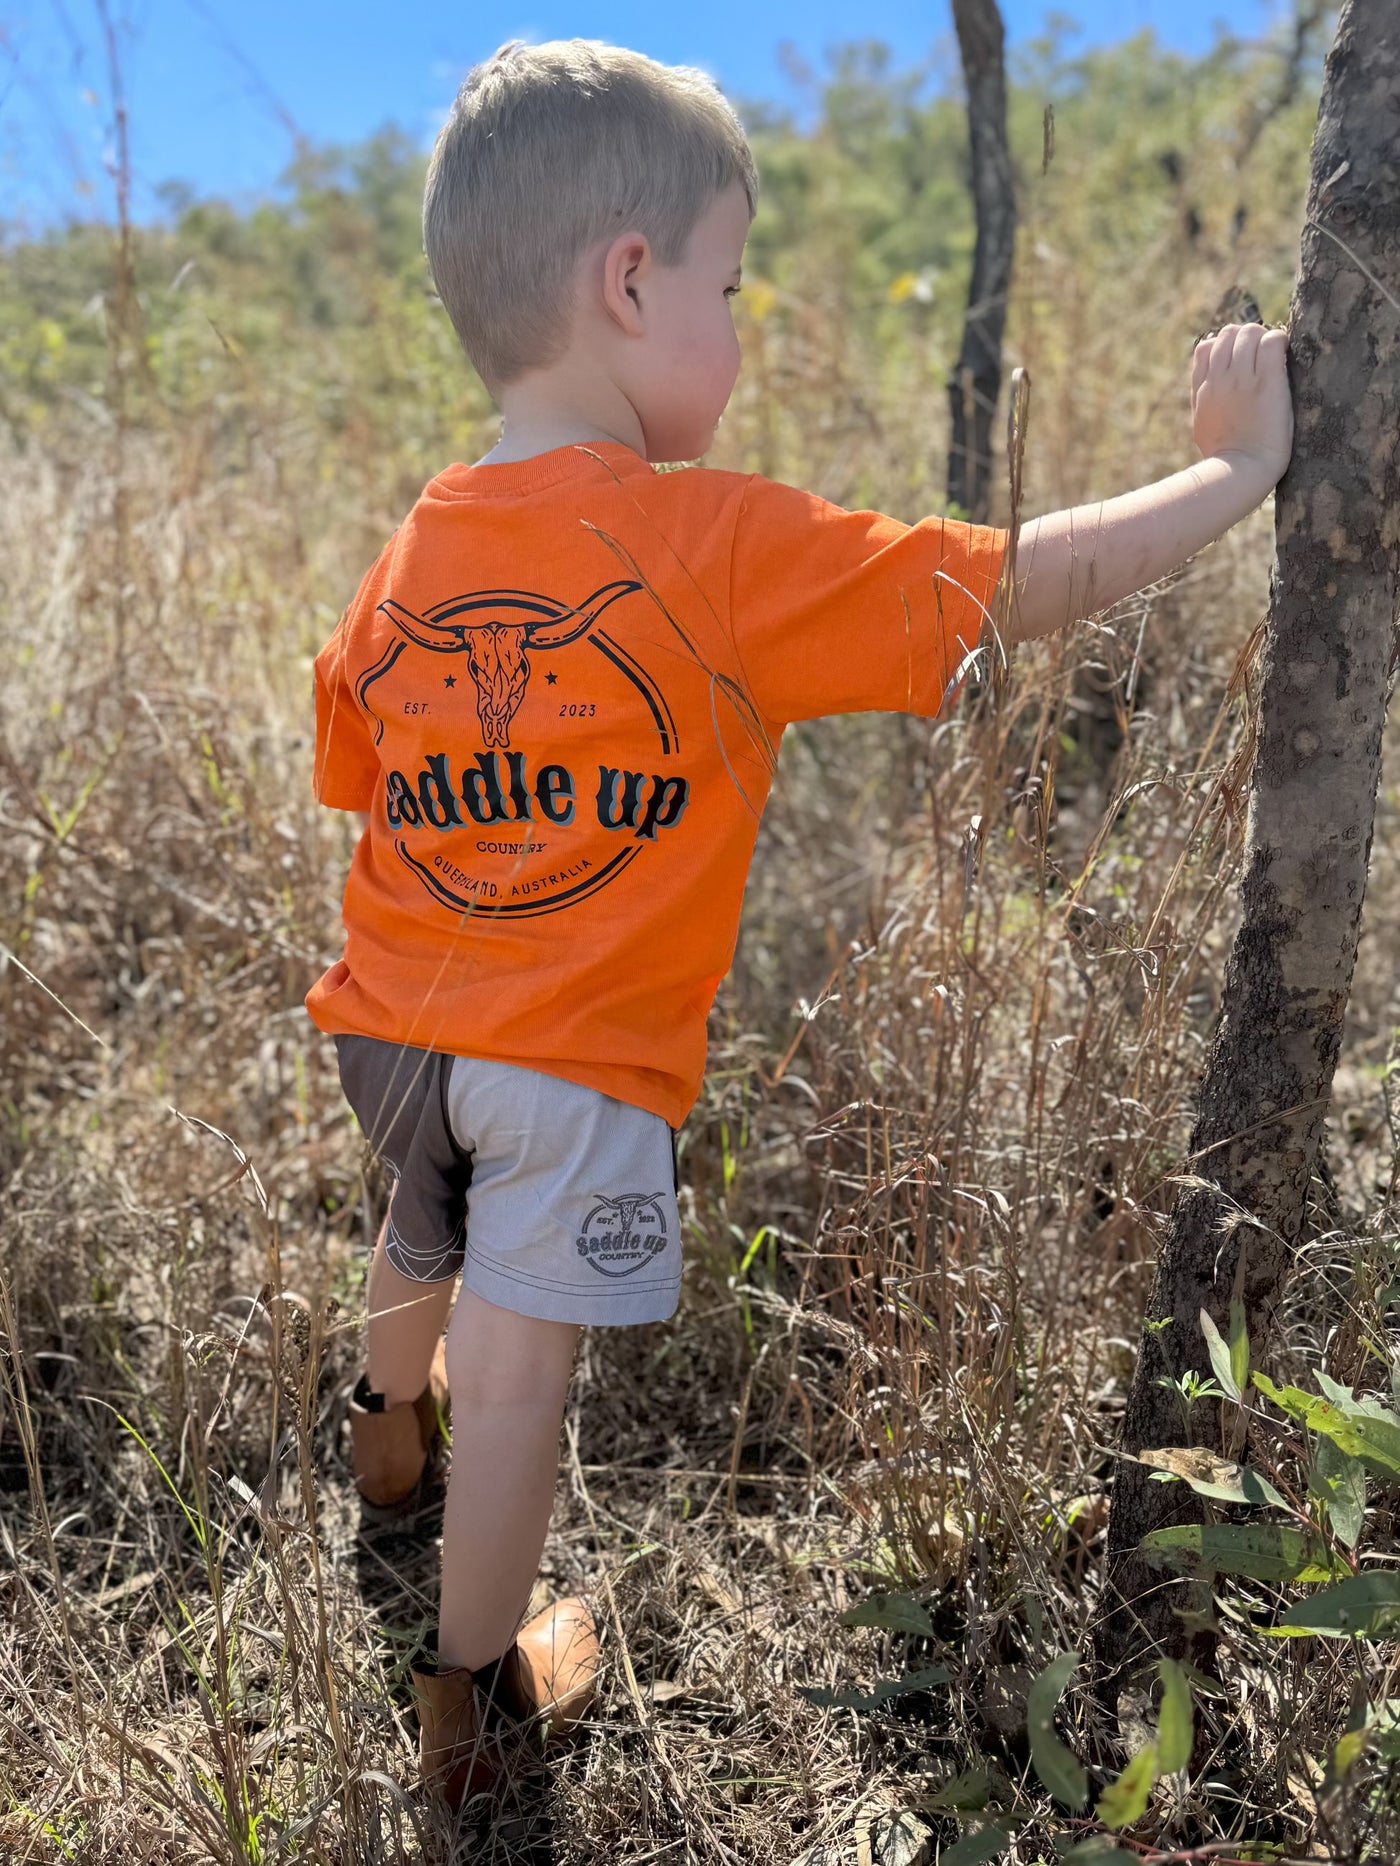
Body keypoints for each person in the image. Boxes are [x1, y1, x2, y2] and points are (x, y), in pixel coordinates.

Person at [306, 38, 1293, 1813]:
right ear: (629, 284)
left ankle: (385, 1436)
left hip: (390, 1024)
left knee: (418, 1218)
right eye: (730, 283)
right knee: (522, 1376)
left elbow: (354, 746)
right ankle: (473, 1712)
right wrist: (1229, 478)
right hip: (568, 1062)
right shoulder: (716, 546)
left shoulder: (414, 545)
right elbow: (1014, 578)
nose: (741, 328)